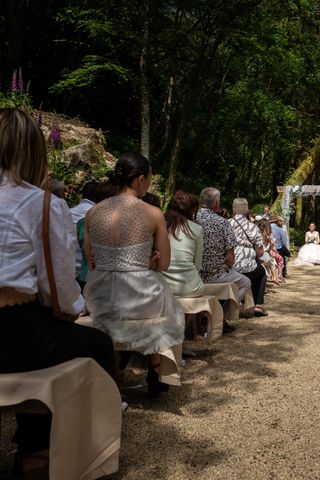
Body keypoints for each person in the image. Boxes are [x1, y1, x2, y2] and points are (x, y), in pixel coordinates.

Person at [0, 108, 114, 476]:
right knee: (95, 345)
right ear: (35, 150)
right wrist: (73, 309)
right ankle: (43, 452)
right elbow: (61, 294)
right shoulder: (42, 204)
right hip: (16, 330)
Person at [84, 152, 184, 396]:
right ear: (140, 179)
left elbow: (92, 262)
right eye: (150, 178)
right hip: (141, 298)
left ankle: (115, 369)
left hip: (101, 297)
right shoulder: (152, 213)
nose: (149, 183)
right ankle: (156, 365)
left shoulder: (93, 213)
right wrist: (147, 263)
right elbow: (165, 264)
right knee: (164, 295)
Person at [196, 187, 252, 311]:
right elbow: (230, 258)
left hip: (195, 274)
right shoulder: (223, 223)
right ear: (217, 203)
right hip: (217, 275)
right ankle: (223, 313)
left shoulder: (192, 219)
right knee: (246, 283)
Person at [229, 198, 268, 317]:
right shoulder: (253, 227)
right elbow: (260, 252)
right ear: (247, 211)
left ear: (233, 209)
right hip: (247, 267)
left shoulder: (226, 223)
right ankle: (258, 306)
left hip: (229, 265)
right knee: (261, 273)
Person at [162, 191, 205, 297]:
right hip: (191, 288)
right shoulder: (197, 229)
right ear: (191, 210)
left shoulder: (161, 226)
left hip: (163, 286)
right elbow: (198, 265)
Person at [256, 219, 281, 285]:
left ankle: (275, 277)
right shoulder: (258, 237)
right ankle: (273, 277)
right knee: (269, 259)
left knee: (272, 260)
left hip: (266, 255)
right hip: (260, 255)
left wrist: (271, 244)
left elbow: (270, 249)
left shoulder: (268, 238)